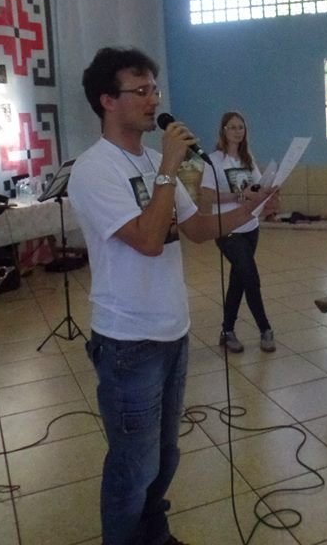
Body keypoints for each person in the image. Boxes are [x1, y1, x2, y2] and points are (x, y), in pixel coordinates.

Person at [68, 47, 273, 545]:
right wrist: (168, 168)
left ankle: (154, 535)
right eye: (140, 90)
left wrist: (253, 206)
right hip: (127, 340)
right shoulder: (95, 170)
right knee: (132, 465)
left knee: (164, 456)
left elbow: (198, 228)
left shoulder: (152, 162)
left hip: (172, 330)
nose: (153, 100)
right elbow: (148, 239)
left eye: (154, 89)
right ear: (107, 100)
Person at [200, 111, 274, 353]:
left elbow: (259, 188)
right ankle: (265, 328)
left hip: (250, 227)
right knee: (250, 276)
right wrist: (239, 195)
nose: (237, 131)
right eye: (232, 127)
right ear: (223, 130)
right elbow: (207, 196)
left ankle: (227, 331)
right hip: (227, 229)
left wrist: (268, 192)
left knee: (239, 280)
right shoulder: (213, 160)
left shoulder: (247, 159)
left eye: (241, 127)